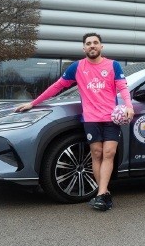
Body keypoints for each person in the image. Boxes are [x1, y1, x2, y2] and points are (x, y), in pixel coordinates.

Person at [16, 33, 134, 210]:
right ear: (84, 48)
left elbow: (123, 87)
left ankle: (101, 194)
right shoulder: (77, 67)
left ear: (101, 46)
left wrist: (129, 106)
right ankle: (104, 193)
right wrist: (33, 103)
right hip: (91, 118)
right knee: (96, 153)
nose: (92, 45)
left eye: (95, 43)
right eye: (89, 43)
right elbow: (57, 86)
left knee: (109, 153)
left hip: (111, 117)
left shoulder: (113, 65)